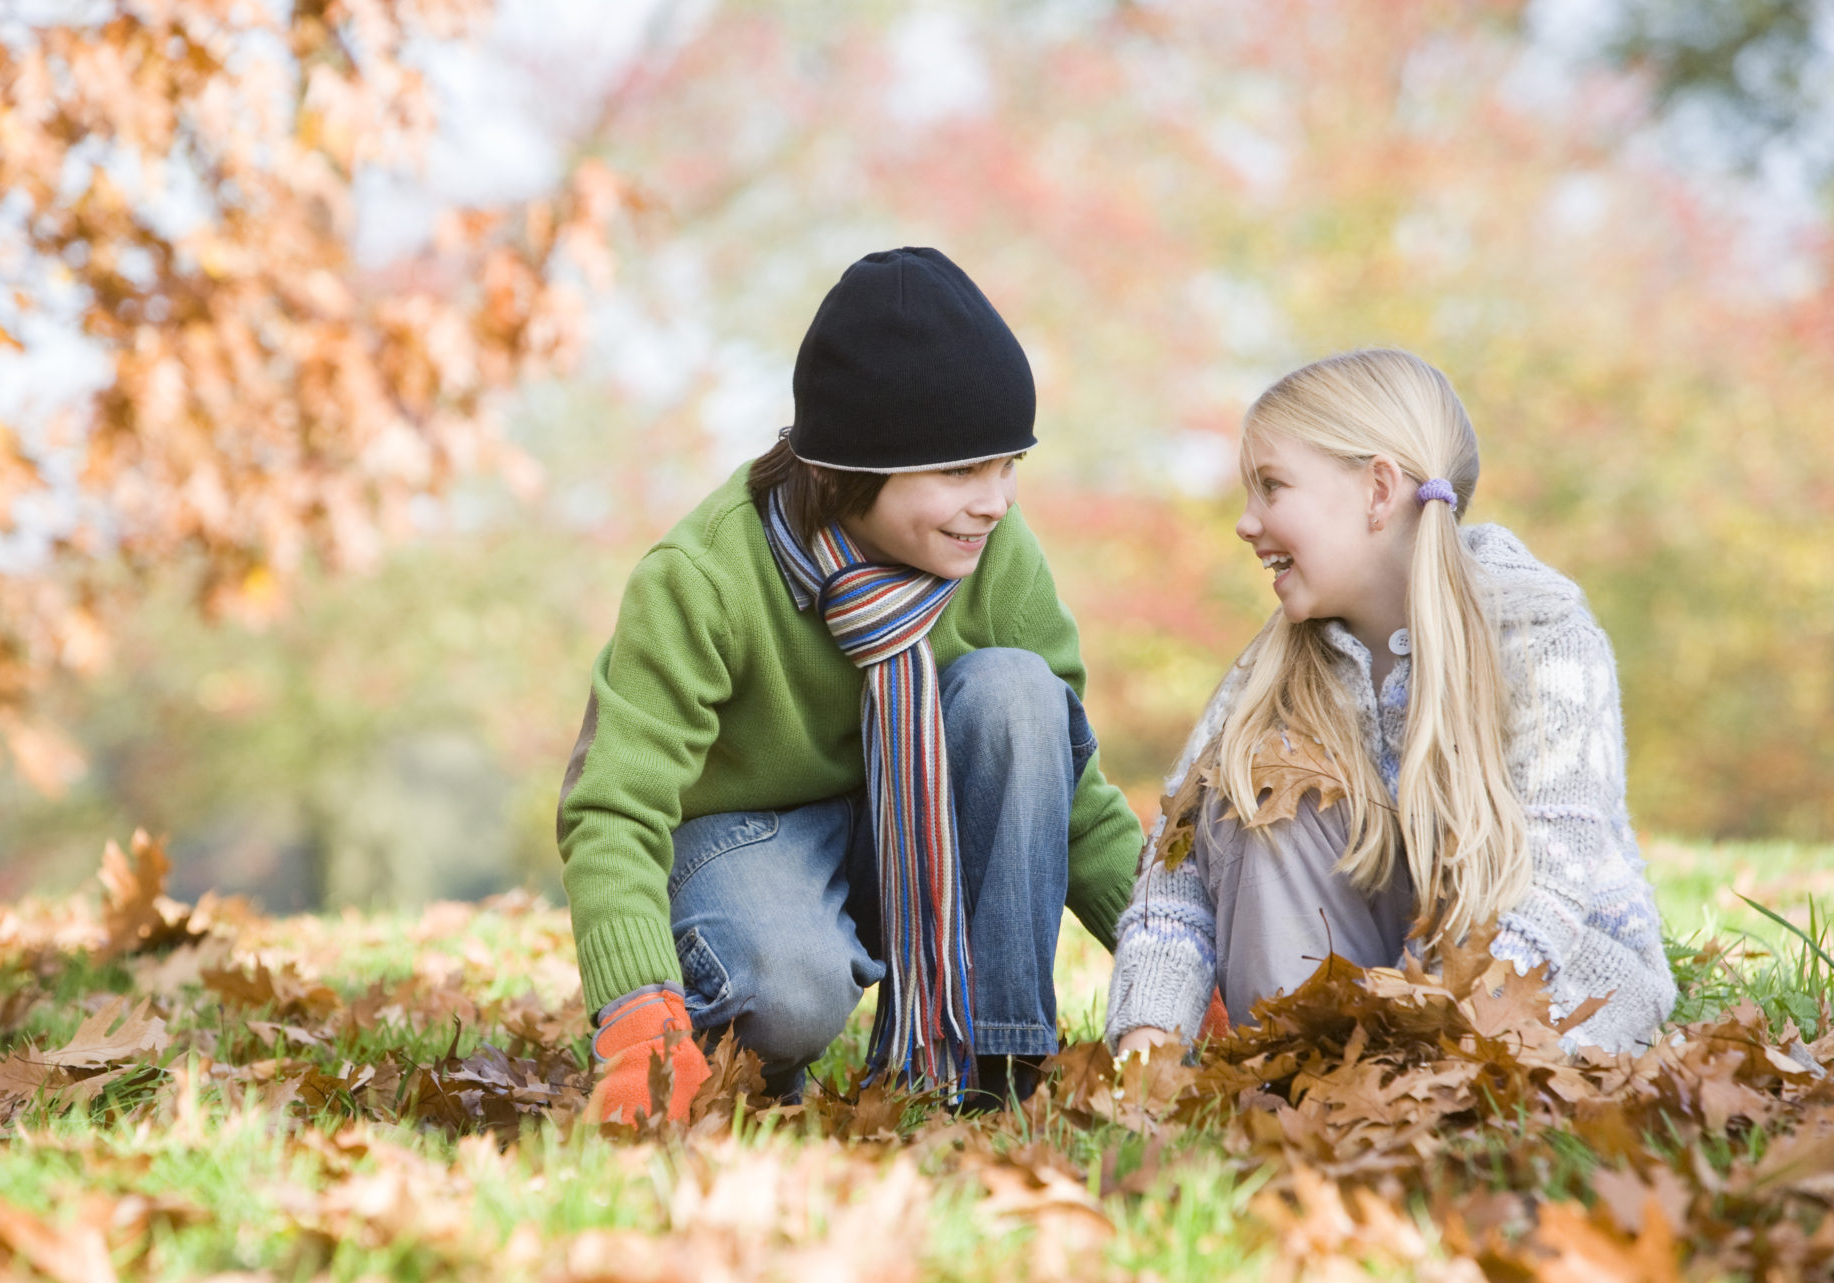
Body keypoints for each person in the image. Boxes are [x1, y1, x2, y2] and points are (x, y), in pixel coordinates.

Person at [558, 247, 1145, 1122]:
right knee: (786, 990)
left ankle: (992, 1068)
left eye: (1009, 464)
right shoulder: (705, 577)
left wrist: (1172, 953)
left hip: (911, 826)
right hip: (742, 849)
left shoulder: (990, 554)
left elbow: (1076, 796)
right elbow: (612, 807)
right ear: (848, 470)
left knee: (1021, 696)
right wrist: (639, 1012)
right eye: (960, 471)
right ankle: (738, 1042)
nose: (997, 501)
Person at [1106, 349, 1675, 1056]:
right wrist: (1147, 1037)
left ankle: (1404, 1083)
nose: (1246, 523)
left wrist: (1441, 1042)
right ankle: (1304, 1068)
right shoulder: (1277, 661)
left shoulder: (1538, 634)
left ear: (1379, 489)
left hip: (1550, 989)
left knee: (1501, 1012)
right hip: (1361, 989)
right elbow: (1177, 865)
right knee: (1243, 794)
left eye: (1272, 488)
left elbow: (1550, 883)